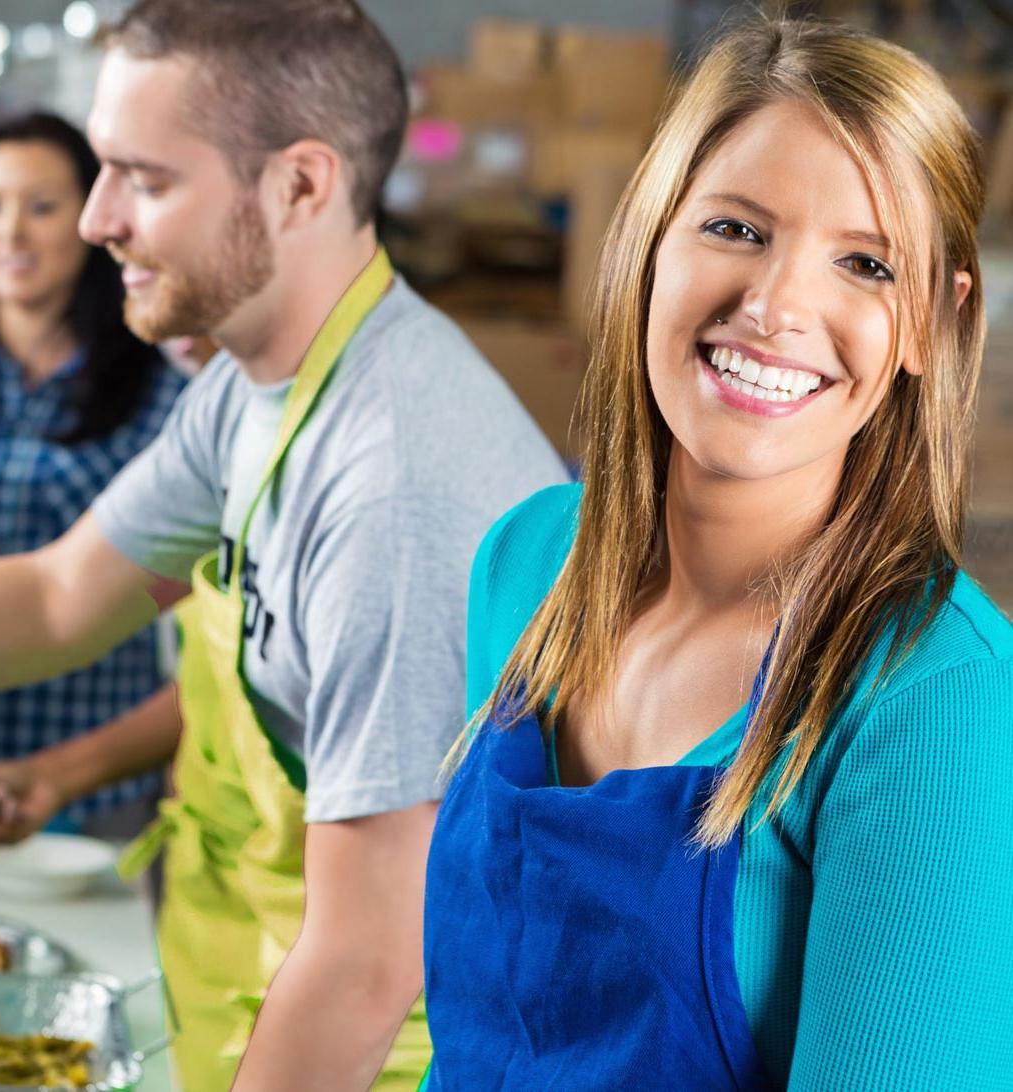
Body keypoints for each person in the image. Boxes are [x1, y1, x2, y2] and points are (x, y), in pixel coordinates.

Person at [0, 1, 568, 1089]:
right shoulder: (256, 387)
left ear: (302, 185)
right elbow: (57, 596)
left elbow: (369, 966)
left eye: (147, 178)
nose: (93, 221)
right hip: (245, 1002)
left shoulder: (395, 485)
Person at [420, 17, 1013, 1091]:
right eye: (736, 229)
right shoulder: (522, 563)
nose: (778, 306)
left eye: (866, 263)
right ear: (651, 234)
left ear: (933, 320)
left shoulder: (940, 699)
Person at [0, 112, 184, 836]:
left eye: (41, 208)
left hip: (89, 797)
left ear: (95, 219)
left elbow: (201, 630)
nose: (11, 233)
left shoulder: (162, 391)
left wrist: (69, 774)